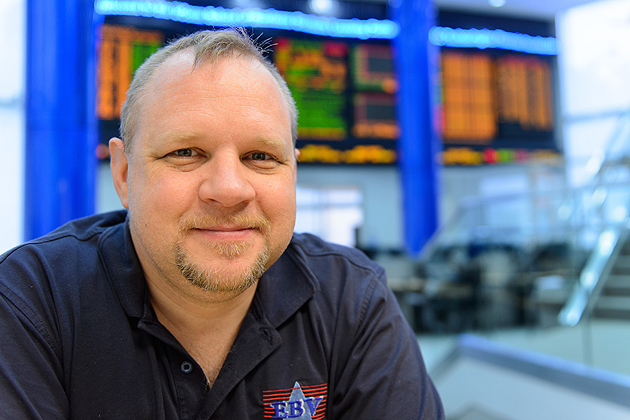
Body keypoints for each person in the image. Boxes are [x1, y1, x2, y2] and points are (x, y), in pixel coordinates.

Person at [0, 29, 443, 419]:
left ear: (293, 172)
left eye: (260, 157)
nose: (229, 189)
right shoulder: (32, 302)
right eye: (186, 153)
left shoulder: (352, 300)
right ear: (124, 174)